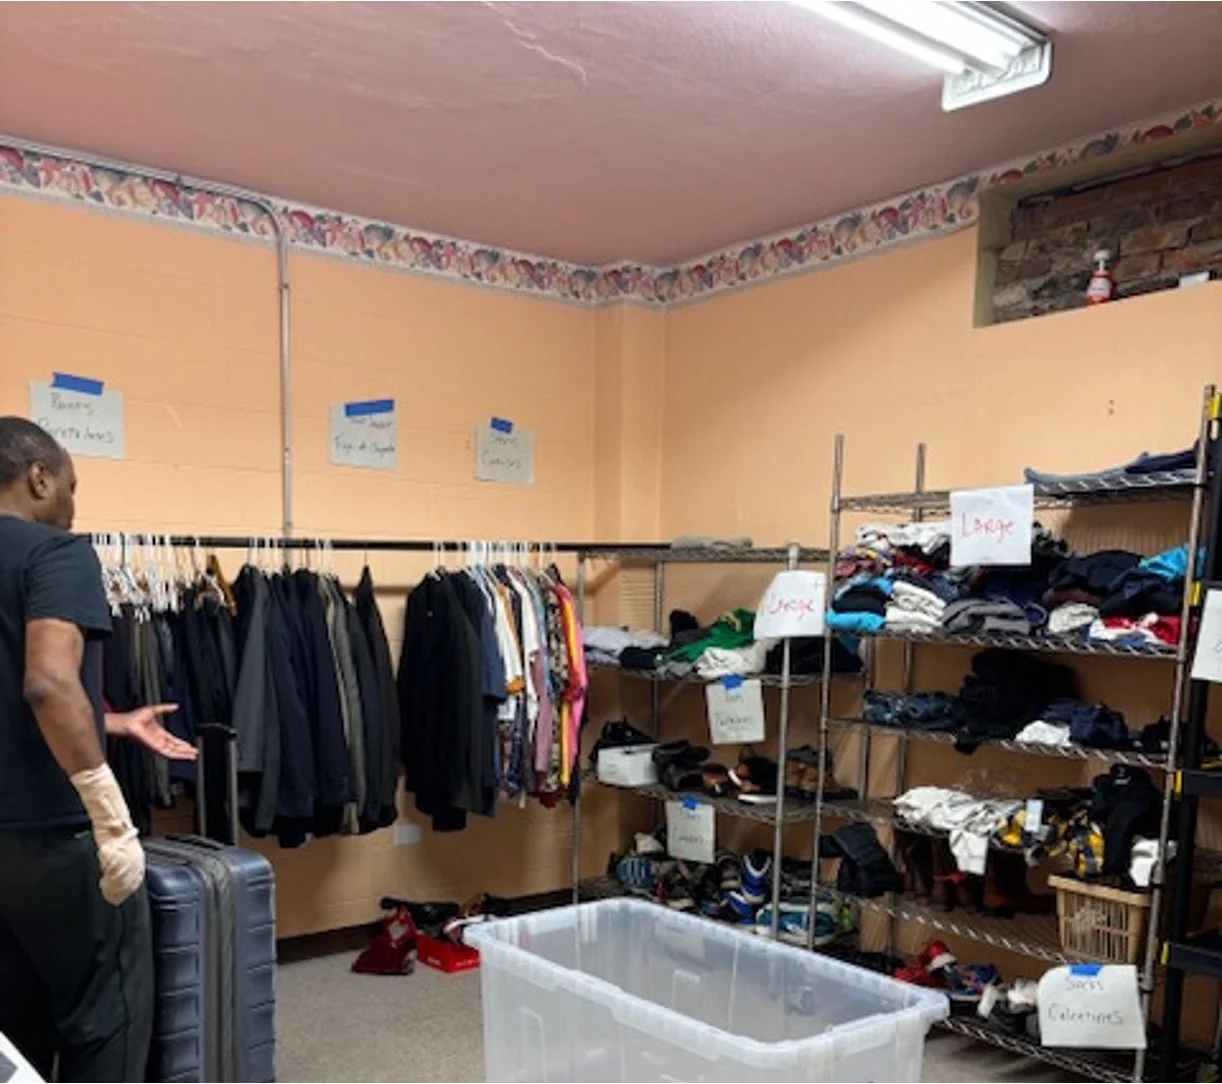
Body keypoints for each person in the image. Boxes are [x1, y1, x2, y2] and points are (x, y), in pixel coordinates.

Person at [0, 416, 196, 1082]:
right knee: (103, 1019)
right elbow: (50, 683)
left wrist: (112, 723)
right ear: (37, 476)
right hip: (56, 840)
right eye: (70, 486)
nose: (73, 503)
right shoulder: (56, 553)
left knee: (12, 1031)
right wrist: (110, 816)